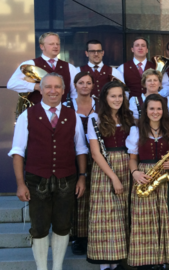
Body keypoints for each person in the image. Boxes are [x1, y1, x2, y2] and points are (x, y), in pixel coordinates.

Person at [9, 73, 88, 270]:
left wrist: (82, 176)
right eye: (48, 87)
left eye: (57, 87)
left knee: (63, 226)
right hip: (37, 179)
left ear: (64, 91)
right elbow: (18, 152)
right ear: (40, 90)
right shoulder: (27, 115)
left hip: (67, 179)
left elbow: (80, 149)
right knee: (40, 227)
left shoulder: (72, 115)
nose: (53, 91)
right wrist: (20, 183)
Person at [127, 94, 169, 270]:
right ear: (145, 110)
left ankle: (162, 264)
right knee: (146, 223)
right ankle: (148, 265)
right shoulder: (137, 130)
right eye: (151, 108)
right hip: (145, 175)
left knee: (165, 220)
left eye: (159, 108)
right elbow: (133, 157)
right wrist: (135, 172)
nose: (155, 112)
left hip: (166, 178)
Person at [86, 81, 135, 270]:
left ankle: (116, 263)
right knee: (105, 217)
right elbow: (96, 153)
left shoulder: (128, 117)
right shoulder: (95, 119)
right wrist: (113, 177)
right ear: (105, 98)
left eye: (120, 96)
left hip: (126, 164)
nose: (117, 99)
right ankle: (104, 266)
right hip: (105, 169)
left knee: (122, 215)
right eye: (113, 96)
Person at [67, 72, 97, 255]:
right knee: (78, 196)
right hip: (75, 155)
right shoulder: (67, 106)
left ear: (93, 85)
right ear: (75, 85)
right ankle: (77, 236)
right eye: (81, 83)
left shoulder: (100, 104)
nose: (85, 86)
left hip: (98, 155)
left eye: (88, 83)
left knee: (93, 195)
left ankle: (91, 233)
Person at [8, 32, 79, 104]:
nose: (55, 46)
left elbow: (76, 94)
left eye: (57, 44)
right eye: (51, 44)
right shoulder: (30, 64)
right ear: (42, 46)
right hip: (36, 112)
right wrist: (35, 86)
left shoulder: (69, 67)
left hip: (61, 112)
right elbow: (12, 84)